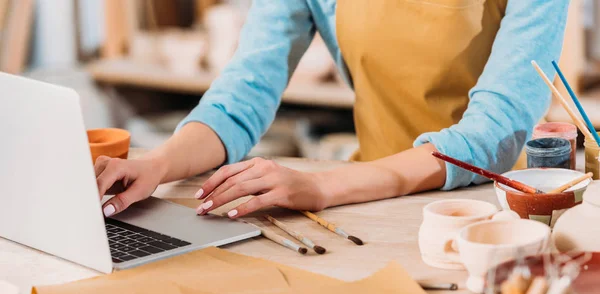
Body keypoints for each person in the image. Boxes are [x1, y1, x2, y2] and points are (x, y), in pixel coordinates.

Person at [96, 0, 569, 220]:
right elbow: (243, 93)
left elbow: (495, 134)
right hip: (372, 204)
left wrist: (323, 184)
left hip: (500, 210)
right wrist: (157, 163)